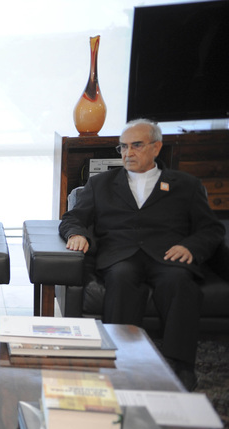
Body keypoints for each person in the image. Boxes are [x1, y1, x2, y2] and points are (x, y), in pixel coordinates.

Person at [59, 119, 225, 391]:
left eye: (136, 145)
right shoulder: (100, 184)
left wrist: (191, 247)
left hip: (168, 256)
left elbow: (211, 228)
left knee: (180, 283)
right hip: (120, 255)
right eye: (123, 147)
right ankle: (121, 360)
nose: (128, 153)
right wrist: (77, 234)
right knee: (122, 277)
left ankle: (180, 365)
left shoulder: (186, 185)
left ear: (156, 147)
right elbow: (72, 218)